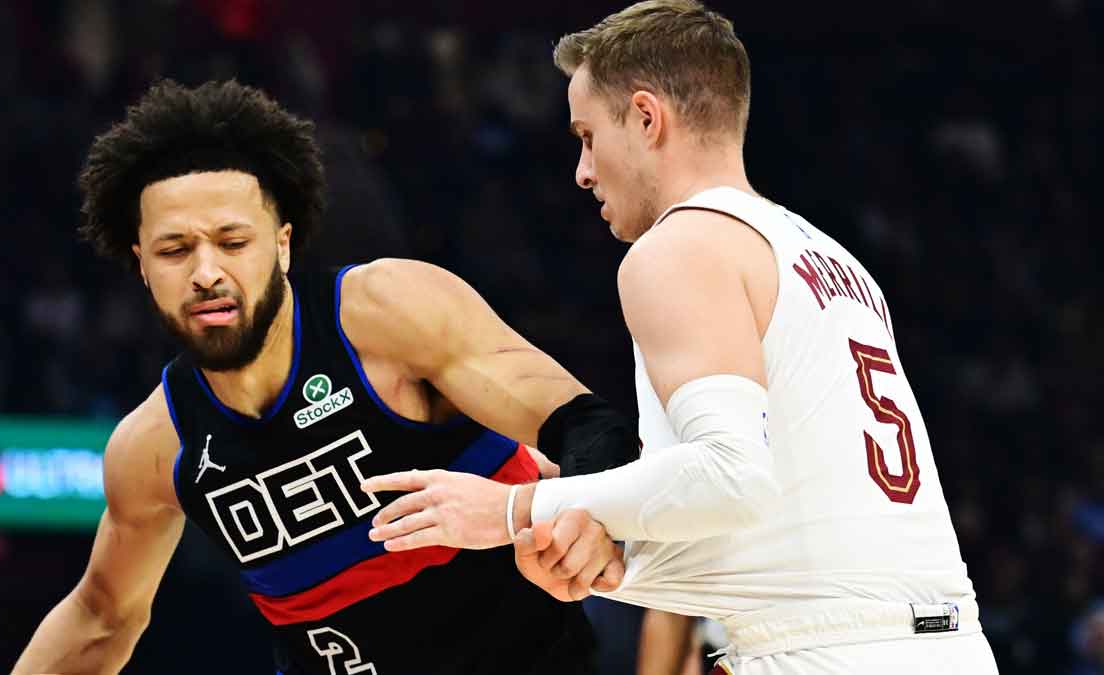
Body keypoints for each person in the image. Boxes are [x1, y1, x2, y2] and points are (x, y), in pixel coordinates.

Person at [360, 2, 1001, 673]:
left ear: (645, 117)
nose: (581, 170)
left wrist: (512, 507)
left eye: (586, 135)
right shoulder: (836, 262)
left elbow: (731, 478)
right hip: (947, 643)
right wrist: (604, 552)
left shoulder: (679, 247)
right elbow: (781, 526)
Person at [11, 79, 633, 675]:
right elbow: (99, 619)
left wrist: (578, 513)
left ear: (282, 244)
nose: (205, 272)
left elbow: (584, 426)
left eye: (232, 241)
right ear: (142, 266)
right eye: (175, 251)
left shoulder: (387, 313)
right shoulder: (152, 447)